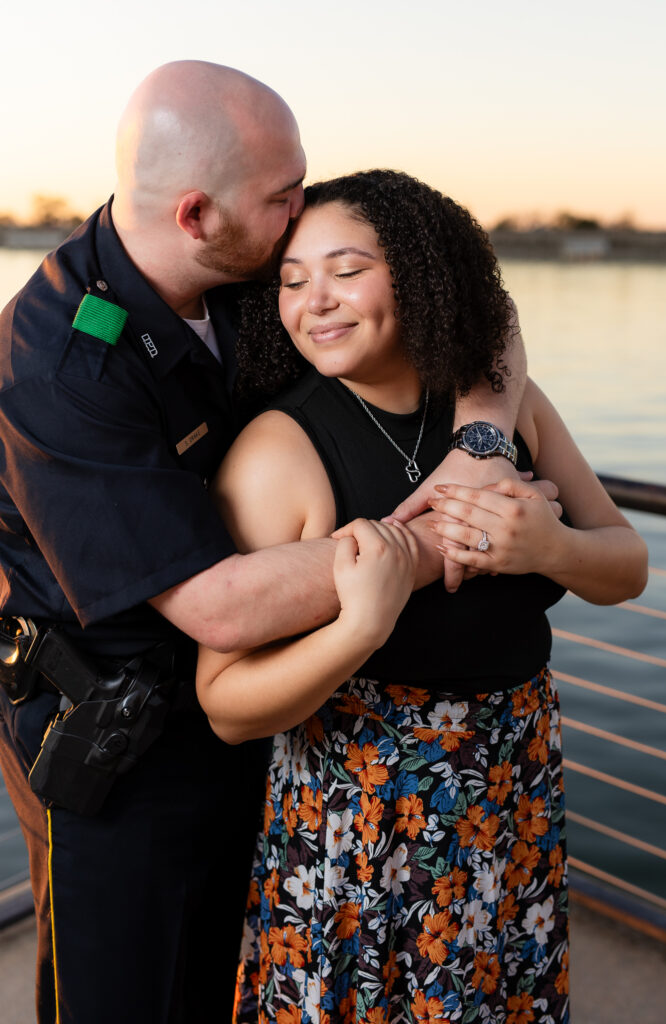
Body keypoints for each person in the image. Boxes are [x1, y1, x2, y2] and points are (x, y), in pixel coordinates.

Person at [0, 64, 528, 1024]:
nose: (302, 214)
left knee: (227, 981)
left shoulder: (252, 269)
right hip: (117, 743)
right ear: (196, 213)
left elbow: (481, 311)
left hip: (265, 702)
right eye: (284, 195)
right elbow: (217, 602)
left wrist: (481, 442)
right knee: (120, 994)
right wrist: (443, 526)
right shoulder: (56, 365)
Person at [195, 170, 649, 1024]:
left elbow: (626, 565)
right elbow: (225, 705)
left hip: (512, 788)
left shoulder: (506, 410)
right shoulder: (278, 452)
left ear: (417, 271)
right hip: (363, 820)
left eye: (345, 269)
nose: (314, 301)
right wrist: (357, 628)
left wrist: (550, 548)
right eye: (292, 280)